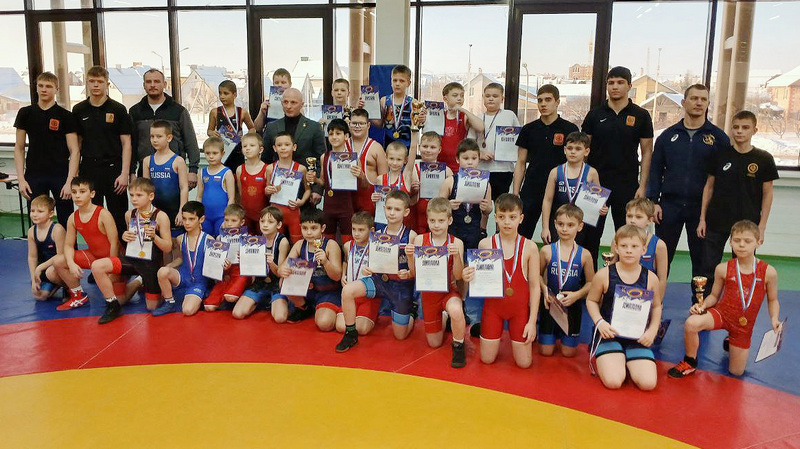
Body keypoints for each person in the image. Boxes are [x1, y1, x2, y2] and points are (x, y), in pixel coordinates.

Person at [669, 220, 781, 378]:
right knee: (691, 323)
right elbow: (714, 296)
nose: (741, 245)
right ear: (730, 242)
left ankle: (731, 340)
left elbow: (773, 300)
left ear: (758, 242)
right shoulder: (723, 269)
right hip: (722, 315)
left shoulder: (769, 272)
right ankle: (690, 361)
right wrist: (702, 305)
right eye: (737, 240)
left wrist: (774, 318)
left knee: (736, 372)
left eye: (747, 241)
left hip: (743, 326)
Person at [647, 84, 729, 300]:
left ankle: (699, 305)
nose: (698, 102)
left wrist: (717, 208)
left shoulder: (719, 138)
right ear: (684, 103)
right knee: (661, 258)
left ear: (708, 104)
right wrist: (653, 201)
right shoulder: (667, 136)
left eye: (703, 99)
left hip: (702, 210)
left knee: (703, 262)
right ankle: (652, 303)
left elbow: (724, 176)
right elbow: (655, 170)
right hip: (669, 206)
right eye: (694, 98)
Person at [698, 110, 778, 298]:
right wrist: (702, 218)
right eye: (736, 127)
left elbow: (768, 194)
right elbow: (709, 187)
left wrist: (762, 226)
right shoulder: (719, 155)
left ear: (754, 130)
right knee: (708, 267)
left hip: (747, 224)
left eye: (745, 127)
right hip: (716, 220)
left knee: (743, 268)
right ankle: (705, 305)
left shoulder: (764, 159)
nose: (739, 131)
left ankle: (738, 306)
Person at [581, 67, 654, 262]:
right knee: (589, 237)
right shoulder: (594, 115)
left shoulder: (641, 115)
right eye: (611, 83)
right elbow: (583, 150)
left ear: (629, 86)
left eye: (620, 82)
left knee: (628, 237)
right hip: (596, 185)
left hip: (627, 184)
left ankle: (623, 277)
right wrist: (583, 182)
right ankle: (590, 279)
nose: (615, 87)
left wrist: (643, 185)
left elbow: (647, 152)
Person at [461, 193, 540, 368]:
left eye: (512, 217)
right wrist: (467, 277)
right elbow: (478, 280)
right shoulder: (485, 245)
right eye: (502, 217)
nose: (507, 222)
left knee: (524, 363)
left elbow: (535, 286)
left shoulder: (530, 247)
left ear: (521, 218)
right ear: (495, 217)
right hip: (493, 309)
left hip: (519, 311)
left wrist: (532, 322)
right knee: (487, 359)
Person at [335, 190, 418, 352]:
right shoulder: (377, 234)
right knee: (348, 291)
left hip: (400, 287)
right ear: (384, 208)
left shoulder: (412, 236)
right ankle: (351, 334)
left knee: (400, 335)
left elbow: (415, 273)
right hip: (378, 281)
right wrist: (369, 269)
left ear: (406, 212)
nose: (392, 213)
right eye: (389, 208)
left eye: (397, 209)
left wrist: (409, 270)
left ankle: (412, 313)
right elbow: (373, 262)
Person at [585, 225, 661, 391]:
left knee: (648, 384)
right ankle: (615, 361)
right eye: (624, 246)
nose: (629, 250)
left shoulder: (651, 278)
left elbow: (656, 307)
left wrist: (652, 330)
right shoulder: (604, 274)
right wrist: (600, 322)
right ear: (616, 248)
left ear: (643, 249)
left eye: (634, 246)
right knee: (613, 382)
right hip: (608, 334)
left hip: (637, 337)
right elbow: (591, 301)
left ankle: (625, 361)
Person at [90, 178, 173, 324]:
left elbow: (168, 247)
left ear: (151, 196)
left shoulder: (161, 216)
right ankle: (114, 304)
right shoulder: (129, 214)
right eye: (132, 195)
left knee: (152, 306)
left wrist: (155, 237)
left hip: (151, 265)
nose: (134, 199)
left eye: (139, 195)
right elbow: (132, 238)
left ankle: (141, 280)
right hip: (131, 260)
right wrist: (124, 236)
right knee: (97, 267)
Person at [72, 65, 133, 237]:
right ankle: (97, 249)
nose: (96, 85)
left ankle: (121, 250)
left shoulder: (118, 109)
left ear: (107, 83)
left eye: (99, 81)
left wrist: (124, 173)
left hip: (114, 169)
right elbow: (77, 146)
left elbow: (126, 144)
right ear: (87, 83)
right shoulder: (79, 110)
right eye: (92, 81)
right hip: (89, 168)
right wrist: (75, 173)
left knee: (118, 215)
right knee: (91, 214)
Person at [406, 197, 467, 368]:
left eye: (441, 221)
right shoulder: (419, 240)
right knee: (434, 343)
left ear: (450, 220)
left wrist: (456, 256)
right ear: (427, 220)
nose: (436, 225)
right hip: (429, 295)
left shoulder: (456, 243)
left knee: (456, 310)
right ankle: (444, 317)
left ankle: (459, 346)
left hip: (449, 292)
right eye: (432, 220)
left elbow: (459, 276)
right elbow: (414, 273)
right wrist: (410, 257)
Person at [13, 72, 80, 226]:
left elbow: (75, 151)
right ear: (36, 88)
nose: (44, 89)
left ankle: (67, 243)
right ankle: (38, 243)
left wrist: (70, 180)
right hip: (34, 175)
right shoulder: (25, 113)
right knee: (37, 220)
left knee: (66, 220)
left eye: (49, 86)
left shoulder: (66, 116)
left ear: (56, 89)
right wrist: (21, 179)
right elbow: (19, 148)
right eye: (41, 86)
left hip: (60, 175)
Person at [513, 84, 579, 240]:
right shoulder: (528, 129)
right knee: (520, 235)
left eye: (548, 100)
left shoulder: (569, 129)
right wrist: (515, 193)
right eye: (540, 100)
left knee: (556, 237)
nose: (543, 104)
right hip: (532, 189)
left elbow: (577, 163)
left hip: (559, 189)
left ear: (557, 102)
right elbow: (521, 163)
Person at [52, 178, 121, 310]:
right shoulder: (73, 217)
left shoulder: (103, 214)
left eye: (82, 191)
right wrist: (71, 264)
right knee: (58, 261)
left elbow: (115, 243)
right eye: (74, 192)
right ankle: (78, 296)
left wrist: (112, 271)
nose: (77, 195)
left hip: (113, 260)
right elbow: (68, 245)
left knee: (121, 300)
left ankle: (138, 281)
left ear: (92, 194)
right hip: (94, 257)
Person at [538, 204, 595, 357]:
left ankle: (565, 337)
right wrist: (544, 289)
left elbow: (591, 283)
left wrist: (577, 295)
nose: (564, 229)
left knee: (568, 353)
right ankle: (548, 335)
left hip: (572, 306)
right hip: (550, 304)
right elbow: (536, 275)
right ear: (555, 224)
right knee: (546, 352)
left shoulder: (585, 255)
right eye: (561, 224)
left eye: (570, 225)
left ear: (580, 226)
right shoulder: (546, 251)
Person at [129, 68, 200, 188]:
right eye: (148, 82)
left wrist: (193, 170)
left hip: (174, 171)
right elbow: (132, 144)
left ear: (164, 84)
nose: (152, 85)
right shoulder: (135, 112)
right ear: (144, 85)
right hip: (145, 171)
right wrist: (131, 172)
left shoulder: (178, 111)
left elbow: (190, 141)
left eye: (157, 81)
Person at [276, 208, 343, 329]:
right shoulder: (299, 245)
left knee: (324, 324)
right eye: (305, 228)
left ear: (322, 228)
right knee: (283, 281)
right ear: (300, 227)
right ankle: (303, 307)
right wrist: (282, 271)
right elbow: (282, 268)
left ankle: (326, 309)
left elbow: (337, 276)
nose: (309, 232)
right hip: (306, 291)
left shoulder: (330, 245)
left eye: (313, 228)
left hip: (327, 292)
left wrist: (326, 262)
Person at [262, 88, 326, 205]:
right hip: (277, 189)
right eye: (285, 102)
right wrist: (267, 186)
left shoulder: (314, 127)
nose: (289, 106)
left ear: (302, 104)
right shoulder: (271, 127)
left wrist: (317, 189)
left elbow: (320, 161)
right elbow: (265, 159)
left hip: (305, 189)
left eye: (293, 102)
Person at [540, 131, 603, 253]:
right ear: (565, 150)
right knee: (557, 255)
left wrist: (602, 208)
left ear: (586, 151)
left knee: (581, 256)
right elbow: (547, 200)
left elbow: (598, 201)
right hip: (560, 224)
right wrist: (545, 227)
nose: (573, 152)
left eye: (578, 149)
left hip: (582, 225)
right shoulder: (555, 172)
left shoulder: (591, 173)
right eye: (570, 148)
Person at [156, 201, 211, 316]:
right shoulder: (180, 238)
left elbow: (213, 265)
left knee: (187, 311)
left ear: (201, 219)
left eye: (191, 219)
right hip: (183, 276)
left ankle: (202, 294)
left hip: (198, 281)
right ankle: (169, 302)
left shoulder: (209, 240)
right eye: (184, 218)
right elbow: (181, 258)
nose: (187, 223)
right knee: (162, 271)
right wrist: (169, 266)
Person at [235, 206, 290, 320]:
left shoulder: (282, 241)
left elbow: (280, 273)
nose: (265, 225)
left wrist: (271, 263)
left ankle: (276, 302)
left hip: (276, 283)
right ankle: (262, 301)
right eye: (262, 221)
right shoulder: (255, 240)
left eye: (270, 222)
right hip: (260, 283)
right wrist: (244, 260)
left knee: (280, 318)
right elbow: (251, 271)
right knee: (237, 313)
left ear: (279, 225)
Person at [438, 139, 493, 252]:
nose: (470, 162)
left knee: (470, 261)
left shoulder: (485, 184)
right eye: (466, 158)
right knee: (453, 259)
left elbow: (488, 210)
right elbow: (438, 207)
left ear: (479, 159)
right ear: (457, 159)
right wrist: (448, 205)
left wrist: (486, 208)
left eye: (474, 158)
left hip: (474, 230)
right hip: (453, 229)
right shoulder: (450, 181)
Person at [611, 198, 668, 299]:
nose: (632, 221)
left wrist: (658, 302)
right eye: (629, 216)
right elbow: (610, 271)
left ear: (649, 220)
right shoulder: (617, 240)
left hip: (645, 299)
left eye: (638, 217)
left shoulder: (659, 245)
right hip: (621, 297)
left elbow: (662, 279)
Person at [142, 120, 189, 236]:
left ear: (169, 138)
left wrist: (181, 211)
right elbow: (145, 190)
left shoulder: (178, 161)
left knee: (174, 243)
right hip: (154, 211)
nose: (154, 140)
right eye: (152, 136)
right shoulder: (147, 161)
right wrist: (145, 212)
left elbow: (184, 188)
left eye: (159, 136)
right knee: (153, 241)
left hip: (174, 211)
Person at [202, 204, 252, 313]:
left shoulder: (248, 238)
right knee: (208, 306)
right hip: (225, 276)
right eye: (226, 220)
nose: (229, 224)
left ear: (242, 222)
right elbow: (214, 263)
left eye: (233, 220)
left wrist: (245, 257)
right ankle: (226, 298)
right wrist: (222, 266)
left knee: (230, 297)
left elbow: (254, 266)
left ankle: (243, 294)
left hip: (241, 274)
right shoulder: (219, 238)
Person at [476, 83, 520, 200]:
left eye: (495, 96)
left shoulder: (509, 115)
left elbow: (518, 138)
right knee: (482, 204)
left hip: (504, 169)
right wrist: (479, 153)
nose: (491, 99)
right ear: (483, 98)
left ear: (502, 99)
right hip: (482, 169)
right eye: (487, 96)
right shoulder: (478, 117)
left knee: (500, 202)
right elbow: (469, 143)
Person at [427, 82, 484, 173]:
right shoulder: (439, 115)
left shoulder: (464, 116)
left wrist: (463, 109)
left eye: (462, 96)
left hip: (459, 165)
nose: (459, 98)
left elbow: (481, 127)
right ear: (445, 98)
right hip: (440, 164)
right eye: (455, 95)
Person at [265, 131, 311, 243]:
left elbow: (308, 190)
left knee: (297, 242)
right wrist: (267, 190)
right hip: (275, 213)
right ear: (274, 148)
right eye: (279, 145)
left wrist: (302, 201)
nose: (283, 148)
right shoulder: (270, 168)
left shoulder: (301, 169)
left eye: (287, 144)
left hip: (293, 211)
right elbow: (267, 191)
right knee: (276, 243)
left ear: (294, 147)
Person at [339, 212, 379, 334]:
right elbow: (346, 261)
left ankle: (371, 315)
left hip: (368, 297)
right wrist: (343, 275)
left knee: (361, 329)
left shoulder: (376, 248)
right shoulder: (348, 245)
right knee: (340, 326)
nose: (356, 233)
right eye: (354, 229)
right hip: (350, 296)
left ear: (371, 230)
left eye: (361, 230)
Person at [318, 118, 357, 242]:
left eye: (338, 133)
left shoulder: (353, 158)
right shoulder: (324, 157)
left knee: (348, 242)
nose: (334, 137)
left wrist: (361, 175)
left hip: (346, 205)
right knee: (327, 241)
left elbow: (364, 185)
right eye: (331, 134)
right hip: (329, 205)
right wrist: (314, 179)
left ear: (346, 136)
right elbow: (323, 182)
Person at [410, 131, 453, 234]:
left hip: (438, 216)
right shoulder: (412, 168)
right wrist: (413, 190)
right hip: (416, 213)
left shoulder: (447, 171)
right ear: (419, 147)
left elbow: (451, 196)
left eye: (432, 147)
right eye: (425, 146)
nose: (428, 150)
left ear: (439, 149)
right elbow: (405, 194)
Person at [347, 108, 387, 216]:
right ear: (349, 124)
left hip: (368, 198)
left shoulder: (377, 148)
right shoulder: (342, 146)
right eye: (354, 123)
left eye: (361, 123)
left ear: (368, 125)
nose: (357, 126)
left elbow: (384, 179)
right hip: (347, 198)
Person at [207, 80, 255, 171]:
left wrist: (246, 138)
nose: (222, 96)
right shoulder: (215, 112)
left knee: (238, 176)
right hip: (222, 152)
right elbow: (209, 130)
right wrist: (212, 133)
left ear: (234, 94)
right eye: (220, 93)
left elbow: (252, 128)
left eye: (226, 93)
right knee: (222, 177)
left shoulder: (242, 112)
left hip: (238, 152)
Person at [27, 195, 66, 300]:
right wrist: (33, 279)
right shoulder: (31, 231)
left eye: (40, 211)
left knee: (51, 273)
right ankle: (54, 284)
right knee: (40, 296)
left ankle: (68, 287)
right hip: (43, 269)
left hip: (58, 267)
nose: (35, 214)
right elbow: (32, 257)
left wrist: (40, 268)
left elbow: (61, 256)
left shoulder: (57, 229)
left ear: (51, 214)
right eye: (32, 211)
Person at [197, 137, 236, 236]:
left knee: (221, 243)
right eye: (207, 153)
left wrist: (228, 218)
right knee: (206, 242)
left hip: (221, 217)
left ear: (222, 154)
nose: (211, 156)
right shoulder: (202, 172)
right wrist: (198, 216)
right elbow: (199, 196)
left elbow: (231, 198)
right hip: (205, 217)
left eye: (214, 153)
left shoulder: (227, 173)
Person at [375, 141, 417, 229]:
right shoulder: (380, 179)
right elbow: (377, 205)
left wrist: (414, 133)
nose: (394, 163)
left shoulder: (406, 177)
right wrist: (374, 199)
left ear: (405, 160)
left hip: (402, 225)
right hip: (383, 222)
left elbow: (413, 149)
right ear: (386, 158)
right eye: (391, 158)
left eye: (398, 159)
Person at [371, 64, 415, 149]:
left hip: (407, 148)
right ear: (391, 82)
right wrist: (366, 110)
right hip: (388, 147)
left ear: (408, 83)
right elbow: (379, 124)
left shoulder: (413, 103)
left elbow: (416, 126)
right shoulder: (384, 100)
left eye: (401, 81)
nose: (397, 84)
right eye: (395, 80)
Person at [235, 132, 268, 232]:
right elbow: (241, 193)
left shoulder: (267, 169)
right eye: (245, 146)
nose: (248, 148)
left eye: (252, 145)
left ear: (260, 149)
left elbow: (270, 196)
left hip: (263, 216)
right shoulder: (240, 169)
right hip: (245, 215)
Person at [253, 68, 292, 133]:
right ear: (273, 84)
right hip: (271, 136)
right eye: (276, 82)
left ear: (290, 84)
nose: (280, 85)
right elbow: (257, 128)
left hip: (289, 136)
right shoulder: (268, 104)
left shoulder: (295, 103)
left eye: (283, 82)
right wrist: (261, 112)